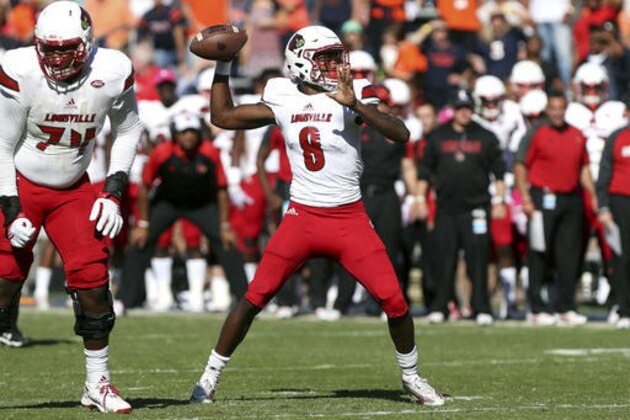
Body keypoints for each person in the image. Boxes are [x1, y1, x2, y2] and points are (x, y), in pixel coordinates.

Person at [190, 25, 444, 406]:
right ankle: (208, 378)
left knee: (395, 301)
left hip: (349, 218)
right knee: (253, 298)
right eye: (324, 57)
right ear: (299, 61)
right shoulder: (282, 95)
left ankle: (411, 376)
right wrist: (223, 66)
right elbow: (223, 116)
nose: (335, 64)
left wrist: (355, 105)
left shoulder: (355, 93)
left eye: (336, 56)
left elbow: (401, 133)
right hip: (302, 217)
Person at [0, 1, 140, 413]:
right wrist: (11, 210)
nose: (57, 58)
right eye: (50, 49)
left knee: (94, 286)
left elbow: (129, 129)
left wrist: (113, 192)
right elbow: (2, 145)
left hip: (74, 187)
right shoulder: (20, 68)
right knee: (4, 286)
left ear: (86, 43)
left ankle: (97, 385)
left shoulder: (112, 69)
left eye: (66, 49)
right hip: (21, 182)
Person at [120, 111, 249, 311]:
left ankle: (245, 302)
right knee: (140, 241)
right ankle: (125, 300)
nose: (189, 136)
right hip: (168, 203)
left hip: (202, 204)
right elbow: (145, 187)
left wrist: (224, 225)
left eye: (193, 132)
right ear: (175, 134)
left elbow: (222, 190)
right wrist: (143, 224)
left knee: (228, 243)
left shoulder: (210, 153)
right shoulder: (161, 153)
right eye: (183, 132)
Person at [417, 89, 506, 326]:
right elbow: (425, 171)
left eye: (467, 108)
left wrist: (499, 201)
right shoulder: (438, 136)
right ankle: (441, 306)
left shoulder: (486, 136)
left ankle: (481, 307)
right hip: (446, 208)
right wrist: (418, 199)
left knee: (478, 259)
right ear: (452, 110)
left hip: (477, 207)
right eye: (459, 108)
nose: (464, 112)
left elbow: (499, 172)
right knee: (444, 260)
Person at [514, 91, 597, 326]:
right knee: (539, 252)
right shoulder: (536, 133)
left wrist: (592, 195)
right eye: (553, 108)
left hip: (571, 199)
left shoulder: (576, 135)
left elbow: (584, 169)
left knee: (569, 255)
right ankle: (537, 308)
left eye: (561, 108)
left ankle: (566, 307)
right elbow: (521, 167)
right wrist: (527, 199)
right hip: (543, 198)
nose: (557, 112)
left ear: (566, 108)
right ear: (547, 109)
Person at [596, 119, 630, 329]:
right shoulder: (617, 137)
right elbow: (604, 173)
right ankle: (624, 308)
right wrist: (604, 207)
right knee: (622, 256)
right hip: (620, 202)